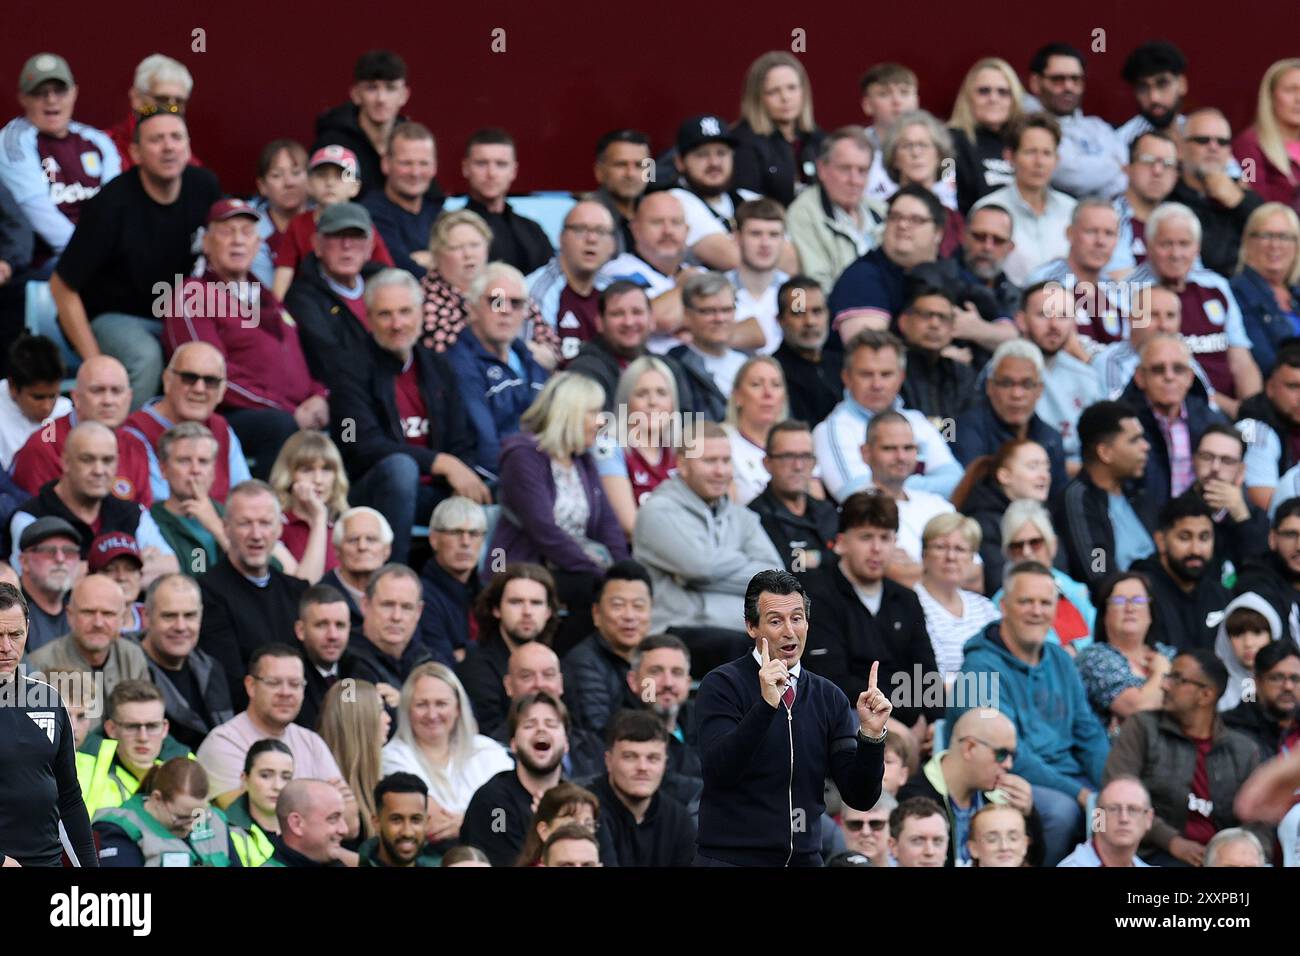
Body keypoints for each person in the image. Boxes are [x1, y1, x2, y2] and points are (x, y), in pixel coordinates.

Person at [693, 569, 891, 866]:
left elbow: (859, 796)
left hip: (805, 858)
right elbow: (720, 770)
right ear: (751, 627)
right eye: (775, 621)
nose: (789, 631)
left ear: (807, 623)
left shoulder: (829, 696)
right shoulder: (722, 685)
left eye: (797, 618)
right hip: (730, 859)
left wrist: (872, 738)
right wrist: (765, 706)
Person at [49, 108, 220, 405]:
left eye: (176, 137)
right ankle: (124, 445)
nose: (168, 147)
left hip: (175, 313)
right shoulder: (112, 203)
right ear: (136, 153)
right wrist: (95, 364)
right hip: (108, 316)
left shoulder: (204, 187)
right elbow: (61, 286)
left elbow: (229, 248)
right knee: (145, 357)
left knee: (211, 356)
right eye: (156, 140)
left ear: (188, 147)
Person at [951, 561, 1111, 866]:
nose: (1036, 611)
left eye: (1045, 603)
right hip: (1005, 779)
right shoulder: (980, 668)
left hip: (1070, 776)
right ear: (1004, 605)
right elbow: (1004, 755)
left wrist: (1111, 784)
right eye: (1026, 601)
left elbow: (1089, 732)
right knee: (1062, 813)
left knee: (1121, 807)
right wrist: (1081, 795)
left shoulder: (1062, 662)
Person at [163, 198, 329, 477]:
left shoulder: (266, 296)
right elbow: (207, 379)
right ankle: (267, 515)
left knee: (351, 423)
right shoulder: (193, 294)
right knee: (279, 427)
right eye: (227, 232)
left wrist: (319, 396)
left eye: (247, 232)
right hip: (227, 418)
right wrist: (288, 412)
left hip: (291, 413)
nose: (238, 241)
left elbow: (301, 360)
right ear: (206, 242)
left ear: (257, 245)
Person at [329, 268, 485, 563]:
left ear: (421, 314)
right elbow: (359, 446)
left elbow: (462, 438)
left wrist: (459, 476)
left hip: (434, 493)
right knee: (401, 469)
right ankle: (393, 577)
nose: (397, 324)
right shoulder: (349, 370)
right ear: (369, 319)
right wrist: (439, 462)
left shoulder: (437, 366)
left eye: (405, 312)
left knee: (504, 487)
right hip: (374, 492)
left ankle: (489, 597)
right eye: (385, 314)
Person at [492, 373, 626, 646]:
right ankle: (570, 668)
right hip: (527, 566)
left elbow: (608, 525)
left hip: (575, 566)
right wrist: (601, 574)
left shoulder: (582, 460)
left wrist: (624, 573)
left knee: (625, 591)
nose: (601, 421)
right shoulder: (523, 456)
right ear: (570, 414)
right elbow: (544, 531)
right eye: (593, 412)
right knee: (597, 592)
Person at [1103, 648, 1264, 866]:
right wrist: (1171, 841)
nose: (1164, 685)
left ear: (1206, 695)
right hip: (1153, 854)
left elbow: (1259, 820)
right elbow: (1116, 793)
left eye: (1177, 679)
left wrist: (1232, 852)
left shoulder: (1242, 750)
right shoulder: (1142, 728)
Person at [800, 491, 940, 732]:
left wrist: (932, 721)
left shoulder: (906, 599)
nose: (877, 548)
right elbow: (830, 679)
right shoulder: (815, 594)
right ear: (841, 543)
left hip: (907, 718)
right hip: (846, 717)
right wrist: (900, 716)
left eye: (885, 538)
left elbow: (926, 673)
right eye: (866, 537)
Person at [633, 420, 781, 640]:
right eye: (710, 461)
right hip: (677, 633)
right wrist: (742, 560)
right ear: (683, 465)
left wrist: (698, 576)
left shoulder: (742, 516)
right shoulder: (657, 512)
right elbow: (700, 566)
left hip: (734, 630)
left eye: (726, 461)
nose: (721, 471)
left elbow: (775, 577)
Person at [1130, 202, 1261, 417]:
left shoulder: (1216, 286)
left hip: (1230, 411)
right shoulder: (1130, 292)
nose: (1176, 253)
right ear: (1149, 245)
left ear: (1197, 248)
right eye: (1166, 244)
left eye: (1184, 244)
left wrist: (1253, 410)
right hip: (1174, 408)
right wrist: (1230, 408)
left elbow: (1241, 359)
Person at [0, 582, 97, 867]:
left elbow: (69, 798)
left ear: (27, 631)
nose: (6, 647)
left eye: (15, 634)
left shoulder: (48, 698)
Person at [10, 421, 177, 578]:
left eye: (107, 460)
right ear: (66, 462)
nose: (99, 470)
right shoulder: (30, 518)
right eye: (87, 460)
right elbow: (31, 579)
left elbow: (171, 566)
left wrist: (79, 570)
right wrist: (132, 563)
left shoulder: (133, 513)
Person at [194, 642, 349, 808]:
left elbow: (350, 820)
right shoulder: (223, 743)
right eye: (274, 683)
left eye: (295, 684)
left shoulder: (312, 742)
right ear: (251, 686)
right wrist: (322, 803)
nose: (285, 693)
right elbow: (244, 817)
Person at [813, 329, 962, 502]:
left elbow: (958, 484)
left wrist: (889, 483)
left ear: (901, 377)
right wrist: (924, 485)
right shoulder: (832, 429)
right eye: (866, 374)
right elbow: (859, 496)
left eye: (886, 374)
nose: (877, 384)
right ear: (846, 377)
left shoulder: (918, 420)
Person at [197, 480, 310, 707]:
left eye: (265, 523)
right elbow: (229, 682)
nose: (256, 534)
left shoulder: (297, 591)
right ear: (226, 528)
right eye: (245, 523)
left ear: (278, 529)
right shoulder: (206, 593)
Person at [0, 53, 120, 260]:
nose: (51, 100)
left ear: (74, 93)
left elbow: (116, 204)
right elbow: (37, 212)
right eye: (40, 93)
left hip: (103, 254)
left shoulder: (97, 140)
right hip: (48, 262)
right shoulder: (13, 140)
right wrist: (89, 256)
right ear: (23, 98)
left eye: (60, 91)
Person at [380, 662, 513, 845]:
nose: (432, 714)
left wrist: (464, 823)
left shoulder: (489, 752)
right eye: (421, 704)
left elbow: (508, 817)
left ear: (458, 708)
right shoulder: (392, 757)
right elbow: (433, 823)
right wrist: (479, 819)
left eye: (441, 704)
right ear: (407, 710)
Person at [897, 708, 1036, 866]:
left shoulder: (1000, 796)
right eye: (1001, 754)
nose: (1008, 764)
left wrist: (1028, 815)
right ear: (970, 747)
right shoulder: (914, 797)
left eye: (1013, 756)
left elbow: (1032, 860)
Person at [447, 262, 549, 476]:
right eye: (496, 301)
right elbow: (485, 447)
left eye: (516, 303)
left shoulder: (531, 362)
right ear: (472, 309)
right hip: (498, 480)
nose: (506, 311)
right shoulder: (458, 365)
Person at [122, 342, 253, 505]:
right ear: (167, 381)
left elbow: (246, 497)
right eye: (189, 378)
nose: (199, 388)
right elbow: (164, 506)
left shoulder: (221, 428)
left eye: (210, 381)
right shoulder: (134, 433)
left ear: (221, 391)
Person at [10, 355, 151, 506]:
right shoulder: (43, 444)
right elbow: (38, 520)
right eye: (97, 391)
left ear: (129, 398)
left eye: (116, 391)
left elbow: (144, 515)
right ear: (76, 397)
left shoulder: (135, 445)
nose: (108, 401)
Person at [1055, 400, 1157, 598]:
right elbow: (1097, 567)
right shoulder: (1080, 499)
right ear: (1105, 452)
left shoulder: (1137, 494)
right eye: (1134, 440)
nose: (1146, 446)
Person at [460, 691, 571, 866]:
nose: (541, 729)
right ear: (513, 744)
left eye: (551, 724)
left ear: (566, 744)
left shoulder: (578, 802)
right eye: (529, 725)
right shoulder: (495, 805)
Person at [282, 201, 385, 389]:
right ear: (317, 244)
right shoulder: (302, 299)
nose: (346, 245)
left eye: (356, 236)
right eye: (336, 236)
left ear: (370, 247)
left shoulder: (386, 284)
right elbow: (331, 362)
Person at [951, 339, 1069, 497]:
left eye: (1026, 384)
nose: (1016, 394)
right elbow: (973, 493)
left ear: (1039, 390)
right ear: (990, 387)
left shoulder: (1051, 438)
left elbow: (1058, 500)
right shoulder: (963, 429)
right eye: (1006, 383)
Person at [313, 50, 435, 202]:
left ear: (404, 95)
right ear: (356, 94)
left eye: (390, 88)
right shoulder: (334, 143)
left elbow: (432, 198)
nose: (381, 99)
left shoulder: (412, 141)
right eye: (372, 88)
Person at [1122, 334, 1227, 510]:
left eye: (1178, 369)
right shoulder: (1121, 423)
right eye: (1158, 369)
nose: (1169, 377)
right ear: (1140, 377)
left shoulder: (1212, 422)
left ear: (1190, 377)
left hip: (1198, 526)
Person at [971, 113, 1077, 286]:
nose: (1039, 162)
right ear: (1010, 157)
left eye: (1047, 153)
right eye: (1030, 152)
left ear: (1057, 160)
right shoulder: (987, 210)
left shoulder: (1072, 210)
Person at [827, 185, 944, 340]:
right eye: (895, 217)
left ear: (938, 233)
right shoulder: (862, 277)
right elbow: (869, 355)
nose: (902, 225)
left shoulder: (949, 272)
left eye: (915, 220)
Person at [458, 564, 559, 738]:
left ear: (548, 612)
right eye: (516, 602)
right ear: (496, 609)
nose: (527, 612)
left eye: (536, 603)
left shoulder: (553, 658)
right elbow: (488, 733)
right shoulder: (476, 664)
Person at [137, 574, 234, 752]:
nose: (181, 626)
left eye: (189, 615)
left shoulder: (212, 668)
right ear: (146, 616)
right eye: (169, 616)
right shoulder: (128, 666)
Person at [861, 412, 962, 580]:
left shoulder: (938, 505)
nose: (901, 457)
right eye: (889, 448)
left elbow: (976, 576)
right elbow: (896, 578)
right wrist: (948, 570)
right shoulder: (857, 509)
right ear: (866, 453)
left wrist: (916, 570)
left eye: (908, 448)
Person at [785, 126, 885, 295]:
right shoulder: (803, 213)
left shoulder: (881, 210)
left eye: (862, 171)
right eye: (845, 169)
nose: (854, 180)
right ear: (822, 169)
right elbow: (818, 284)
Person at [590, 709, 695, 867]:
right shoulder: (585, 810)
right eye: (630, 757)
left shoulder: (678, 820)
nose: (642, 767)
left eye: (653, 758)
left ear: (665, 764)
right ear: (608, 761)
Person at [1023, 43, 1127, 199]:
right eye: (1058, 79)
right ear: (1036, 83)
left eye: (1075, 79)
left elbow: (1126, 180)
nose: (1068, 87)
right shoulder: (1028, 125)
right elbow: (1071, 176)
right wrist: (1115, 167)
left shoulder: (1098, 126)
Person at [562, 561, 653, 736]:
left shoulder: (651, 658)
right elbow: (598, 732)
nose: (629, 616)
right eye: (618, 605)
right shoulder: (582, 664)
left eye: (638, 606)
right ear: (596, 613)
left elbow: (657, 712)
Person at [92, 758, 239, 866]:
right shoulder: (117, 828)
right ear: (157, 798)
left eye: (198, 815)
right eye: (182, 818)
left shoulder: (214, 821)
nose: (191, 826)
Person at [594, 192, 692, 353]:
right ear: (635, 229)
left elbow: (738, 326)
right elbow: (659, 319)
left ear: (687, 231)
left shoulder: (698, 272)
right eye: (657, 222)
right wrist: (689, 285)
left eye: (676, 222)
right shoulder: (618, 270)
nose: (668, 231)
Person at [1170, 109, 1264, 278]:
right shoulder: (1167, 197)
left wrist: (1240, 202)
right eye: (1202, 140)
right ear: (1180, 149)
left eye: (1222, 142)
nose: (1213, 147)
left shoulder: (1242, 194)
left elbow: (1279, 233)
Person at [77, 680, 191, 818]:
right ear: (111, 729)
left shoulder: (187, 763)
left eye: (152, 726)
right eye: (132, 727)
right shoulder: (82, 765)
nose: (143, 737)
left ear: (165, 728)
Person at [25, 574, 150, 700]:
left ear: (122, 619)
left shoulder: (133, 657)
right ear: (70, 616)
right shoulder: (39, 665)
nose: (98, 623)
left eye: (108, 614)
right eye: (88, 612)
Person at [595, 355, 682, 538]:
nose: (653, 402)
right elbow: (630, 526)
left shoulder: (681, 449)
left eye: (662, 393)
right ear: (626, 402)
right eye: (642, 394)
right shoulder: (608, 447)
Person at [666, 115, 765, 272]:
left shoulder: (750, 199)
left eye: (721, 153)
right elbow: (731, 259)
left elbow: (792, 261)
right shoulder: (675, 201)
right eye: (702, 154)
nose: (714, 163)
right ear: (680, 162)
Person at [1025, 201, 1125, 356]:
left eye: (1109, 233)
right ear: (1070, 233)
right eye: (1091, 231)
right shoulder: (1045, 281)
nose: (1100, 242)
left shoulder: (1118, 291)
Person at [1130, 496, 1229, 652]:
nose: (1196, 549)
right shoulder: (1140, 593)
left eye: (1204, 538)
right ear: (1161, 541)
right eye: (1184, 538)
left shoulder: (1220, 595)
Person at [954, 438, 1050, 593]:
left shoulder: (1045, 514)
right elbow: (997, 581)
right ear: (1004, 476)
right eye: (1033, 467)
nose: (1044, 475)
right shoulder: (982, 521)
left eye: (1047, 468)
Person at [526, 201, 617, 362]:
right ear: (561, 238)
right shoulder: (536, 290)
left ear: (612, 245)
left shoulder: (612, 289)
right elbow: (535, 363)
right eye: (580, 229)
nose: (591, 239)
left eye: (601, 231)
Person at [730, 51, 823, 207]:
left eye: (792, 88)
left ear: (804, 91)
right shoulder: (742, 143)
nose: (785, 97)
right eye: (773, 91)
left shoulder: (818, 139)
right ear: (756, 97)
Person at [915, 514, 1000, 682]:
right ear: (924, 554)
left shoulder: (985, 607)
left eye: (960, 549)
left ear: (971, 558)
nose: (951, 557)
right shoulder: (911, 605)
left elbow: (1003, 661)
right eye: (940, 547)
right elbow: (930, 680)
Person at [749, 420, 839, 574]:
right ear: (767, 463)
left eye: (805, 456)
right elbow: (782, 567)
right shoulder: (754, 518)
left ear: (814, 463)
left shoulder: (828, 512)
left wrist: (815, 558)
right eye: (787, 457)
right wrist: (829, 557)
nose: (798, 466)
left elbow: (852, 558)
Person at [461, 127, 553, 275]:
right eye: (482, 163)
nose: (491, 173)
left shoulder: (533, 231)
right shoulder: (451, 229)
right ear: (466, 168)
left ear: (513, 171)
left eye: (501, 164)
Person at [360, 122, 443, 278]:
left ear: (434, 167)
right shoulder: (368, 213)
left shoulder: (439, 211)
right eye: (406, 163)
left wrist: (434, 260)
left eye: (423, 163)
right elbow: (402, 271)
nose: (415, 172)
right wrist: (443, 263)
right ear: (385, 164)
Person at [666, 272, 750, 420]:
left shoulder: (749, 363)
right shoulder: (673, 366)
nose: (719, 318)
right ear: (687, 315)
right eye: (708, 311)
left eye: (726, 310)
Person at [318, 678, 390, 847]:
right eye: (380, 711)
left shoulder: (383, 777)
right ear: (360, 722)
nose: (388, 719)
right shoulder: (329, 792)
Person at [268, 431, 347, 583]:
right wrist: (319, 517)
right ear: (289, 475)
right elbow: (305, 587)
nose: (318, 480)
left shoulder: (343, 527)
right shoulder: (274, 527)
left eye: (326, 469)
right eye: (307, 470)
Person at [1232, 203, 1300, 378]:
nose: (1275, 245)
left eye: (1284, 237)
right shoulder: (1236, 292)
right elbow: (1265, 361)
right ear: (1248, 242)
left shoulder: (1296, 293)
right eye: (1266, 235)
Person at [947, 57, 1023, 214]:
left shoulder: (1026, 142)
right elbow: (946, 194)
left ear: (1014, 99)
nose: (993, 99)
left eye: (1003, 92)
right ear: (968, 98)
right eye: (984, 91)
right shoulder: (947, 142)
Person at [881, 111, 962, 252]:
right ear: (894, 158)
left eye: (923, 145)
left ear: (939, 156)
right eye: (907, 146)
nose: (916, 153)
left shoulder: (954, 221)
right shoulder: (880, 213)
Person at [417, 497, 486, 664]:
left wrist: (465, 653)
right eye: (455, 532)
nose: (465, 542)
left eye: (474, 534)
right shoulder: (420, 595)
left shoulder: (486, 592)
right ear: (434, 539)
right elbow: (442, 662)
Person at [293, 584, 369, 731]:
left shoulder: (358, 669)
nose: (333, 635)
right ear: (300, 630)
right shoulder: (289, 678)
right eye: (322, 625)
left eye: (340, 625)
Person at [896, 281, 975, 421]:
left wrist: (946, 438)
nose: (935, 324)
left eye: (943, 318)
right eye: (926, 315)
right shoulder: (889, 371)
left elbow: (962, 430)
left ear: (952, 327)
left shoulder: (961, 374)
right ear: (904, 322)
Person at [347, 563, 433, 689]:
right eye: (387, 605)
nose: (396, 617)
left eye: (406, 607)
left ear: (419, 612)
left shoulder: (428, 660)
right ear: (365, 605)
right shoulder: (344, 661)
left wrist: (401, 704)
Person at [772, 276, 842, 425]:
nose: (810, 322)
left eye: (817, 311)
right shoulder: (773, 373)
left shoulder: (844, 363)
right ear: (780, 320)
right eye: (798, 313)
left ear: (828, 315)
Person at [1107, 131, 1180, 275]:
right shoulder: (1108, 217)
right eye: (1148, 161)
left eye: (1168, 164)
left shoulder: (1179, 220)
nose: (1158, 171)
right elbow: (1121, 281)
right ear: (1127, 169)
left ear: (1176, 176)